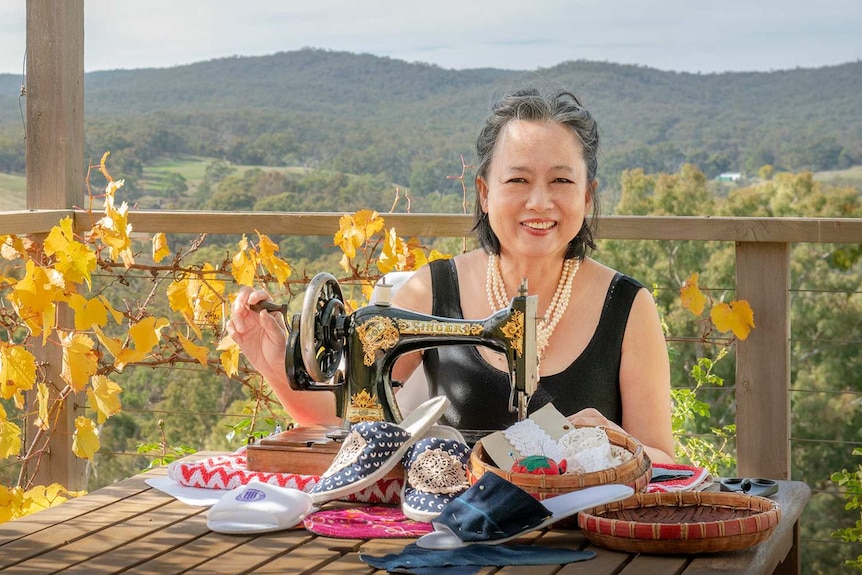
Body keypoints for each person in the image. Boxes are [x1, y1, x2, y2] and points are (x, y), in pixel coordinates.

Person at [227, 86, 675, 464]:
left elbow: (666, 461)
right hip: (451, 526)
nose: (540, 202)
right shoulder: (432, 290)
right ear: (484, 193)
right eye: (517, 181)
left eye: (561, 181)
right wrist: (271, 361)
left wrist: (620, 444)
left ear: (588, 195)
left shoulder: (628, 307)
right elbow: (343, 424)